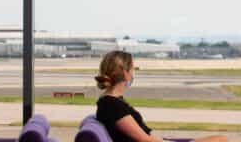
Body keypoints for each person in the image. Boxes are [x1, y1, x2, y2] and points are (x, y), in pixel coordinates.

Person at [95, 51, 227, 142]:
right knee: (220, 140)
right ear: (126, 74)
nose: (134, 73)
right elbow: (144, 139)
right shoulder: (112, 105)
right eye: (133, 69)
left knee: (220, 139)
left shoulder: (111, 102)